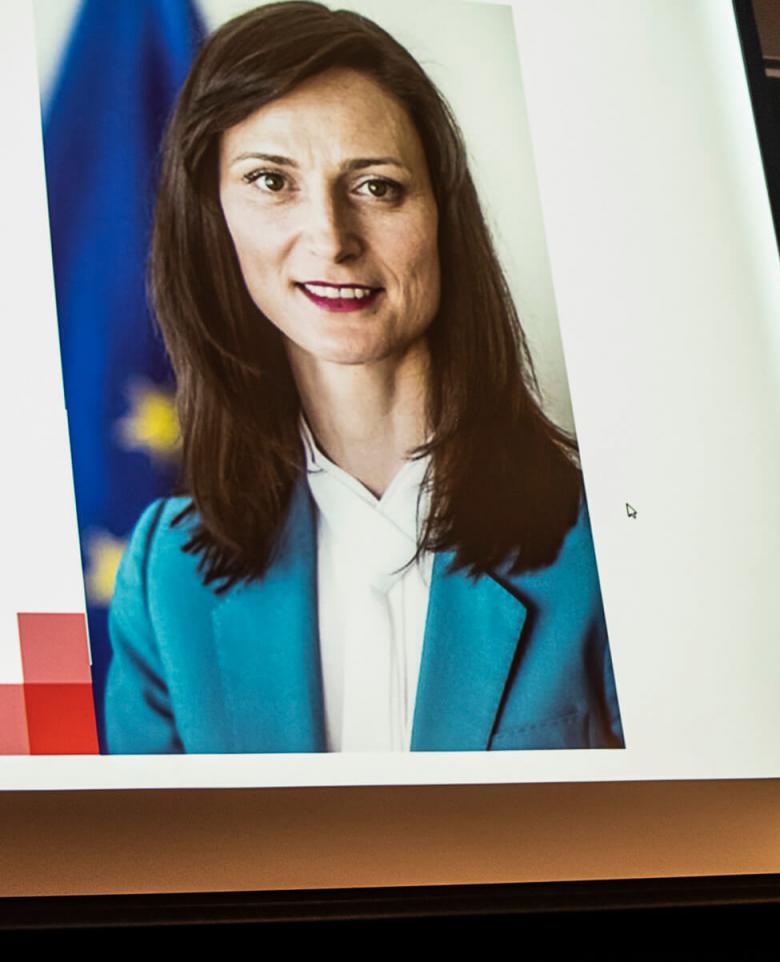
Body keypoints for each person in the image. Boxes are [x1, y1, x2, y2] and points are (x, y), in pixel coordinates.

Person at [104, 2, 623, 754]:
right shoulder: (164, 578)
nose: (331, 239)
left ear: (443, 214)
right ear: (212, 218)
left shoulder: (610, 538)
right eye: (270, 181)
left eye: (376, 187)